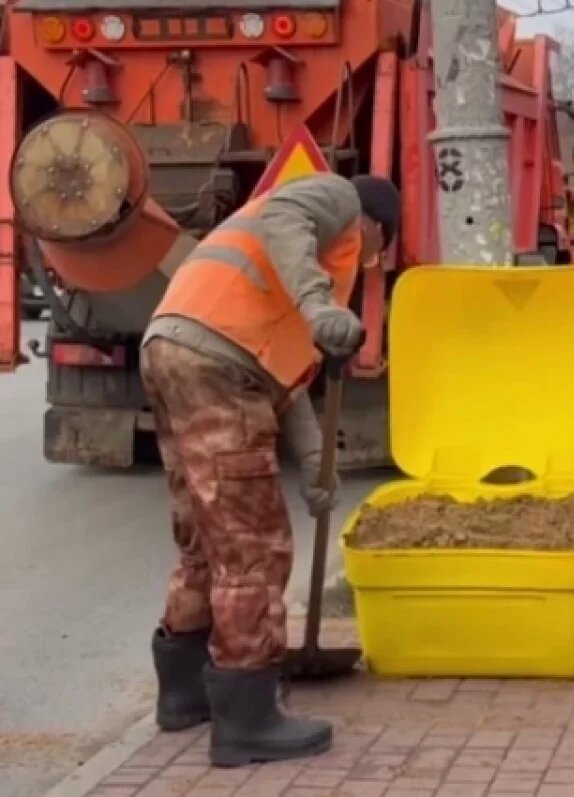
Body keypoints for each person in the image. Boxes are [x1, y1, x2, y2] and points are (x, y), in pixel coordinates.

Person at [141, 172, 399, 766]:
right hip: (214, 361)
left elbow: (284, 384)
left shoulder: (276, 283)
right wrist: (317, 306)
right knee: (252, 547)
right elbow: (286, 217)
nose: (367, 261)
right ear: (375, 224)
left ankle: (182, 693)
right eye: (374, 250)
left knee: (204, 540)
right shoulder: (337, 197)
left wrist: (316, 467)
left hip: (172, 350)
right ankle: (247, 718)